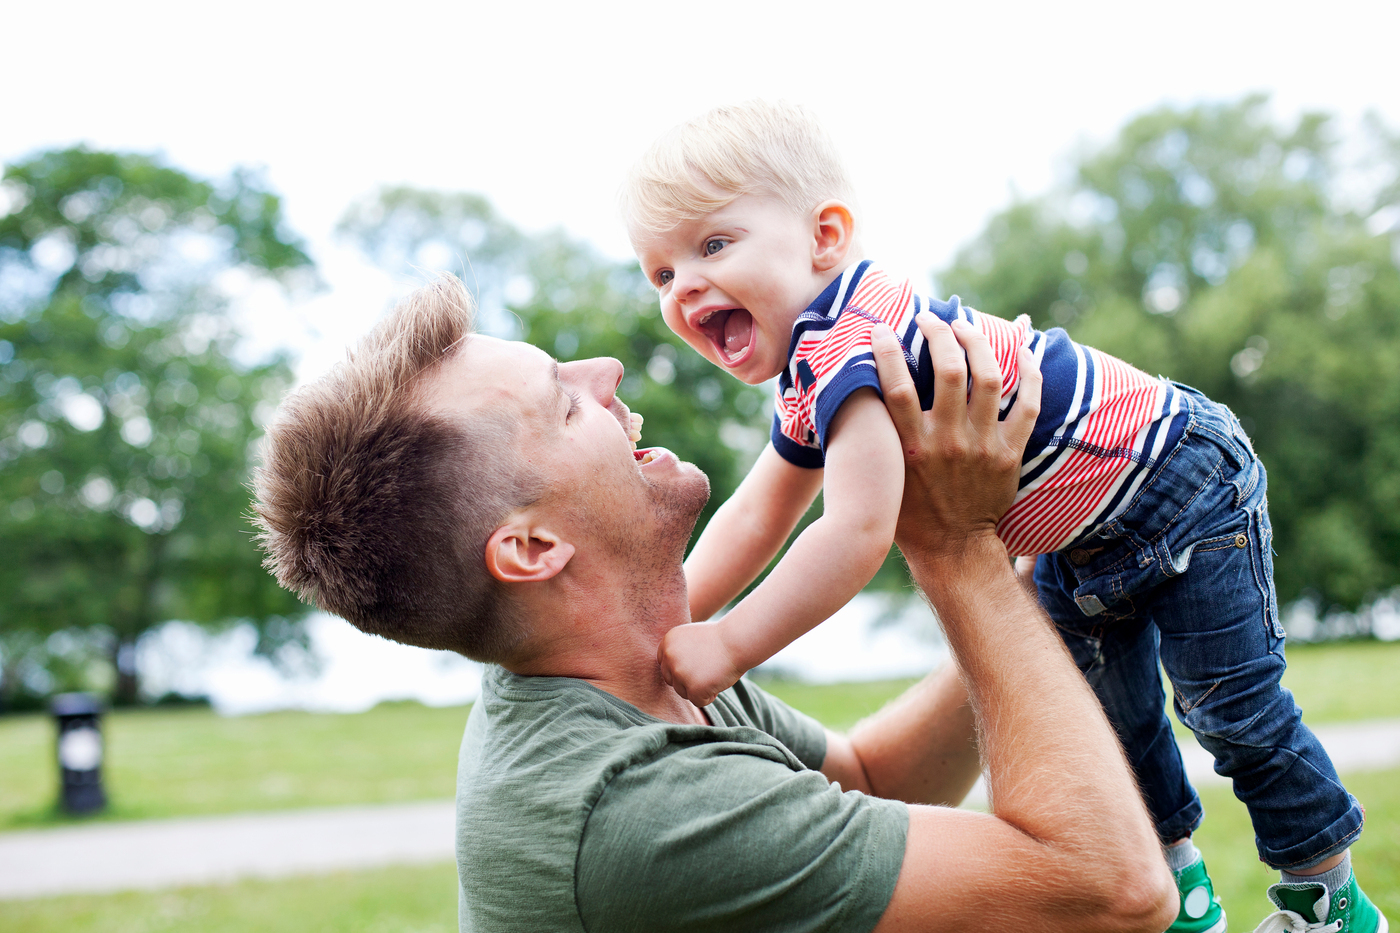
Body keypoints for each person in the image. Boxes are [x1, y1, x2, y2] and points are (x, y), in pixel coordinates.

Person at [624, 100, 1386, 933]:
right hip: (1083, 532)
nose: (685, 285)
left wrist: (729, 645)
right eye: (661, 274)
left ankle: (1329, 903)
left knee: (1229, 709)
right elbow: (757, 512)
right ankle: (1183, 896)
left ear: (825, 236)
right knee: (1104, 724)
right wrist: (666, 616)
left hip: (1176, 479)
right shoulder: (815, 357)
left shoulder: (854, 341)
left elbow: (853, 532)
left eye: (713, 245)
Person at [252, 275, 1177, 932]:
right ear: (532, 548)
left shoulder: (629, 664)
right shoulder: (627, 810)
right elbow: (1111, 892)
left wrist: (1054, 583)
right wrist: (958, 550)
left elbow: (863, 781)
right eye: (564, 406)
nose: (606, 371)